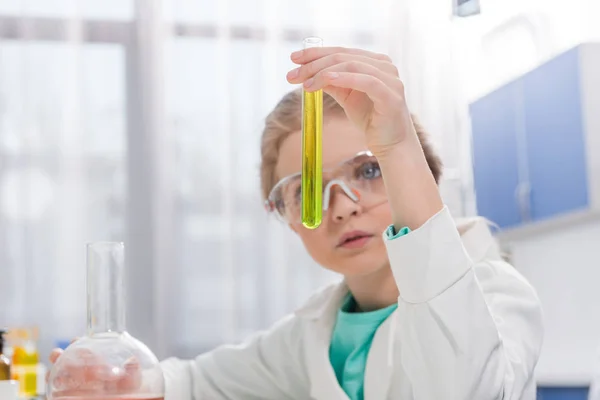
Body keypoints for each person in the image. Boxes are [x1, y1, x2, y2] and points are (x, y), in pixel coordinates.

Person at [49, 46, 544, 399]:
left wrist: (397, 145)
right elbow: (200, 384)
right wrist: (124, 380)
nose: (343, 206)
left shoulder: (499, 294)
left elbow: (462, 390)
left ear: (422, 176)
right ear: (284, 215)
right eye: (305, 191)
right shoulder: (316, 331)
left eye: (371, 170)